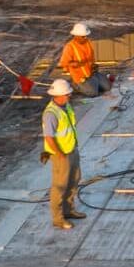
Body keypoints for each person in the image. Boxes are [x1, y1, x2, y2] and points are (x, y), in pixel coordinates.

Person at [41, 77, 86, 231]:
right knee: (60, 186)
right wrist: (59, 154)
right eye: (67, 94)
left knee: (74, 180)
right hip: (61, 155)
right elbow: (49, 137)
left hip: (71, 149)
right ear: (58, 95)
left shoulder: (65, 107)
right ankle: (58, 219)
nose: (69, 96)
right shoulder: (50, 114)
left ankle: (69, 210)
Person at [57, 22, 109, 97]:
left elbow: (91, 58)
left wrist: (93, 65)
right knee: (93, 93)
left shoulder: (88, 43)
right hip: (80, 77)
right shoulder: (69, 46)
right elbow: (64, 63)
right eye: (83, 36)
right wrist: (73, 64)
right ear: (76, 36)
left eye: (86, 36)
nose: (85, 38)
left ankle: (93, 84)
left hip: (91, 73)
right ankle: (75, 85)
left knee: (107, 87)